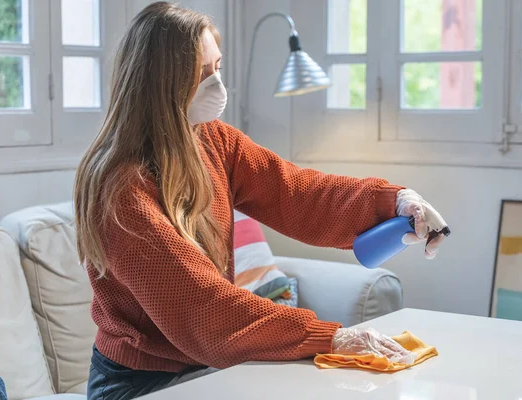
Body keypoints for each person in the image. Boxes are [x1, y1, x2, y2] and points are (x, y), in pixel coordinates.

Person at [75, 2, 448, 399]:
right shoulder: (120, 192)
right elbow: (203, 307)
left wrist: (394, 203)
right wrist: (330, 337)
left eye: (217, 68)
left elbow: (297, 193)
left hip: (206, 366)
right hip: (138, 383)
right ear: (161, 83)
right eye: (202, 74)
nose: (217, 85)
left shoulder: (212, 139)